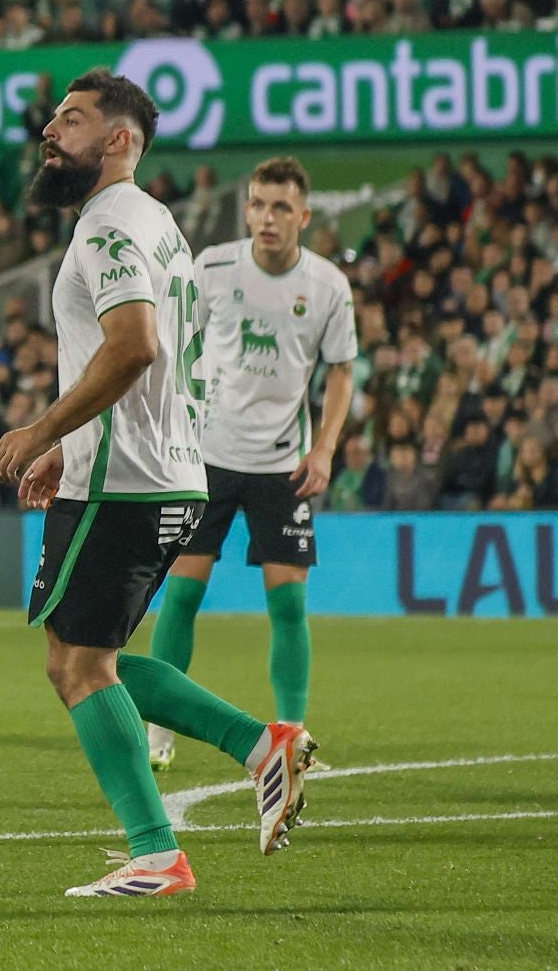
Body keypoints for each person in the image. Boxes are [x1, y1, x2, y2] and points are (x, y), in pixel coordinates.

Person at [0, 68, 315, 898]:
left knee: (76, 668)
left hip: (122, 483)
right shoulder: (157, 224)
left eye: (72, 119)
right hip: (161, 471)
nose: (50, 131)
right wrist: (75, 442)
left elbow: (134, 346)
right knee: (91, 658)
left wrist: (44, 431)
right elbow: (158, 355)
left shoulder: (106, 227)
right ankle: (259, 746)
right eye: (54, 118)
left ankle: (157, 851)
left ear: (120, 139)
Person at [146, 158, 357, 772]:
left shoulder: (327, 287)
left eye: (281, 207)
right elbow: (175, 347)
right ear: (247, 209)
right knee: (181, 595)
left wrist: (325, 448)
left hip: (282, 464)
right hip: (205, 458)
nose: (268, 217)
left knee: (288, 605)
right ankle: (161, 733)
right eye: (259, 205)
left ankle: (292, 734)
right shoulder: (212, 267)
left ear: (305, 216)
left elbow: (342, 369)